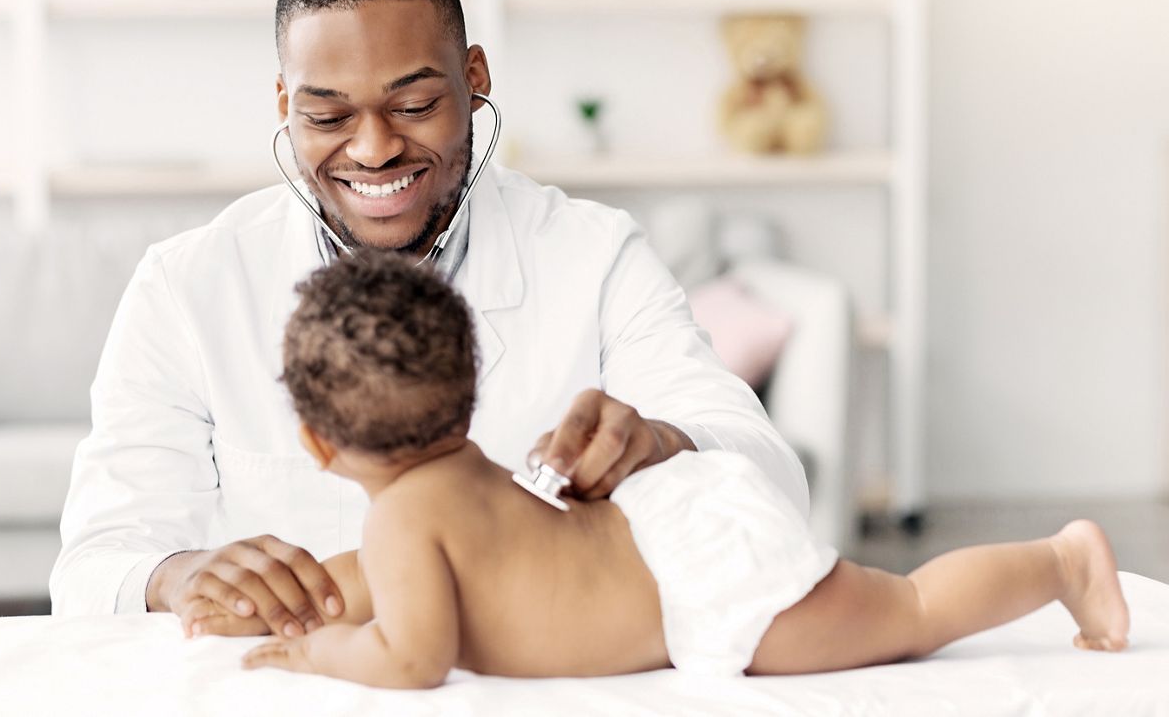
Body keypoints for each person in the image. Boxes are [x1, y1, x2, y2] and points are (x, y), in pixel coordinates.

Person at [49, 0, 809, 641]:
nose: (374, 150)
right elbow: (93, 566)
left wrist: (665, 443)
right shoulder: (187, 285)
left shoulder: (595, 254)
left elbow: (769, 476)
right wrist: (177, 575)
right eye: (328, 117)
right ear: (285, 106)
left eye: (414, 106)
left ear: (474, 78)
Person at [239, 250, 1130, 687]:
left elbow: (411, 655)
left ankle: (1063, 562)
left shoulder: (401, 519)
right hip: (668, 522)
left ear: (317, 444)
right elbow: (379, 585)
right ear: (466, 402)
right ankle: (1057, 564)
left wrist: (315, 653)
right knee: (907, 606)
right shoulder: (463, 474)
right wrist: (283, 601)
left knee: (913, 613)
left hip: (703, 578)